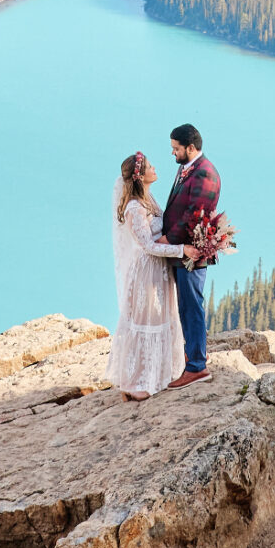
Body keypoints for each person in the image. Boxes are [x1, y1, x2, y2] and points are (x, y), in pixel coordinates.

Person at [109, 150, 191, 400]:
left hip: (160, 269)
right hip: (147, 271)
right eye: (150, 167)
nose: (155, 169)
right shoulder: (134, 207)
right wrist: (182, 250)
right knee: (146, 323)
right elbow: (148, 245)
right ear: (140, 176)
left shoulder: (148, 199)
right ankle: (136, 382)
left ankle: (158, 374)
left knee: (161, 319)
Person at [159, 122, 221, 387]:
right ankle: (191, 358)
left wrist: (166, 240)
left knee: (191, 307)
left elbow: (194, 216)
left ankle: (197, 366)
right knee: (185, 307)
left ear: (191, 147)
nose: (173, 154)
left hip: (191, 255)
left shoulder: (205, 174)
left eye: (176, 149)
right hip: (181, 252)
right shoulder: (188, 168)